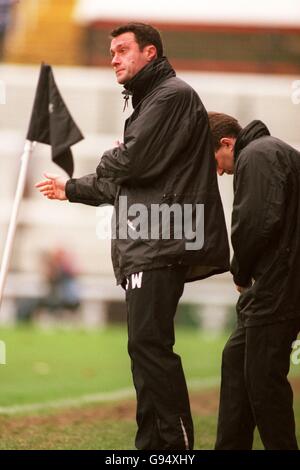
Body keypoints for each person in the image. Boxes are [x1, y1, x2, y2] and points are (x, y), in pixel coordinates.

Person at [36, 23, 229, 450]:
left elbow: (130, 163)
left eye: (123, 50)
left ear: (150, 53)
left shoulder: (172, 96)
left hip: (161, 239)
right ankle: (151, 449)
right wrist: (70, 189)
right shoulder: (149, 104)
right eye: (111, 52)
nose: (114, 59)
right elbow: (125, 179)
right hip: (148, 242)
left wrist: (112, 157)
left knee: (150, 346)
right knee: (143, 348)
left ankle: (175, 450)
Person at [208, 112, 300, 450]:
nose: (218, 171)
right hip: (279, 283)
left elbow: (256, 223)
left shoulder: (257, 156)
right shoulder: (267, 151)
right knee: (236, 360)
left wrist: (241, 272)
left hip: (279, 286)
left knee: (264, 382)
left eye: (214, 160)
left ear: (227, 143)